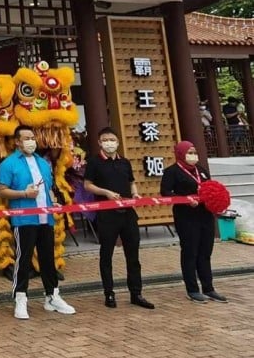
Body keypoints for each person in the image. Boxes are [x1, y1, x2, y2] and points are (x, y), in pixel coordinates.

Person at [0, 126, 76, 320]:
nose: (31, 141)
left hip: (45, 218)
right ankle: (20, 298)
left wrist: (52, 200)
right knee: (23, 259)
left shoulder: (42, 162)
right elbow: (2, 190)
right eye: (26, 138)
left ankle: (52, 296)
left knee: (48, 259)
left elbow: (47, 188)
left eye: (32, 137)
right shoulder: (9, 163)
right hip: (24, 219)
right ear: (17, 141)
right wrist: (24, 193)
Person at [82, 127, 154, 310]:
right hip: (107, 214)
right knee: (107, 255)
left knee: (133, 255)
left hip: (128, 213)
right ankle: (109, 293)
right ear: (99, 142)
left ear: (118, 142)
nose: (109, 143)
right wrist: (105, 193)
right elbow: (87, 185)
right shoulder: (94, 162)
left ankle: (136, 293)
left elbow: (131, 181)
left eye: (112, 140)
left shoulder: (124, 162)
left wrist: (135, 194)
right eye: (105, 140)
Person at [160, 141, 228, 303]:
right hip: (186, 217)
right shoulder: (172, 172)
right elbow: (165, 192)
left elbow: (211, 188)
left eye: (194, 152)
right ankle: (192, 289)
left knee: (205, 253)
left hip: (205, 215)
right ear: (181, 153)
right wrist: (185, 199)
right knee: (190, 252)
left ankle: (209, 288)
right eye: (189, 152)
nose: (192, 155)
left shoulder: (201, 170)